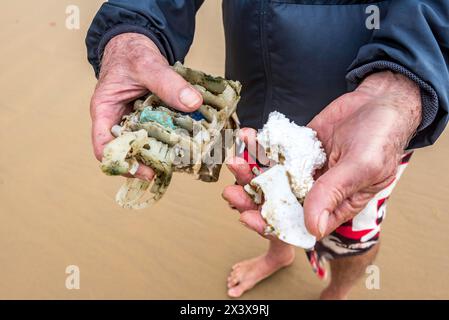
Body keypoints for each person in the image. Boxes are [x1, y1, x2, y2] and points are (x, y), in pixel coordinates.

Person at [86, 0, 449, 299]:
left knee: (354, 234)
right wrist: (134, 26)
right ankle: (279, 254)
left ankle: (337, 292)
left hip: (368, 121)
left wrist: (402, 85)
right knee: (263, 194)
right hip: (256, 103)